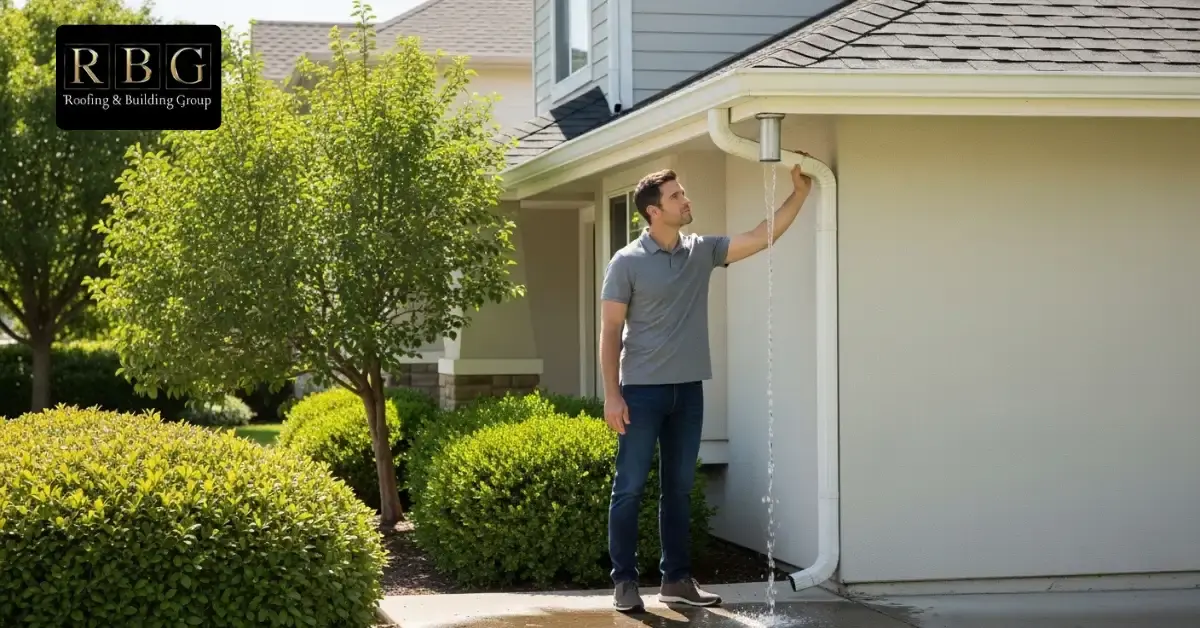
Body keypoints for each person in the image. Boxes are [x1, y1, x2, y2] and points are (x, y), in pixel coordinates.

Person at [600, 164, 812, 612]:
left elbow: (760, 236)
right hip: (640, 391)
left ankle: (676, 580)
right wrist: (612, 394)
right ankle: (624, 583)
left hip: (688, 390)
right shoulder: (627, 262)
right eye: (677, 196)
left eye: (684, 193)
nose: (686, 200)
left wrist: (799, 195)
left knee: (678, 489)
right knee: (630, 487)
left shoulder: (701, 250)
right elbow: (610, 331)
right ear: (654, 211)